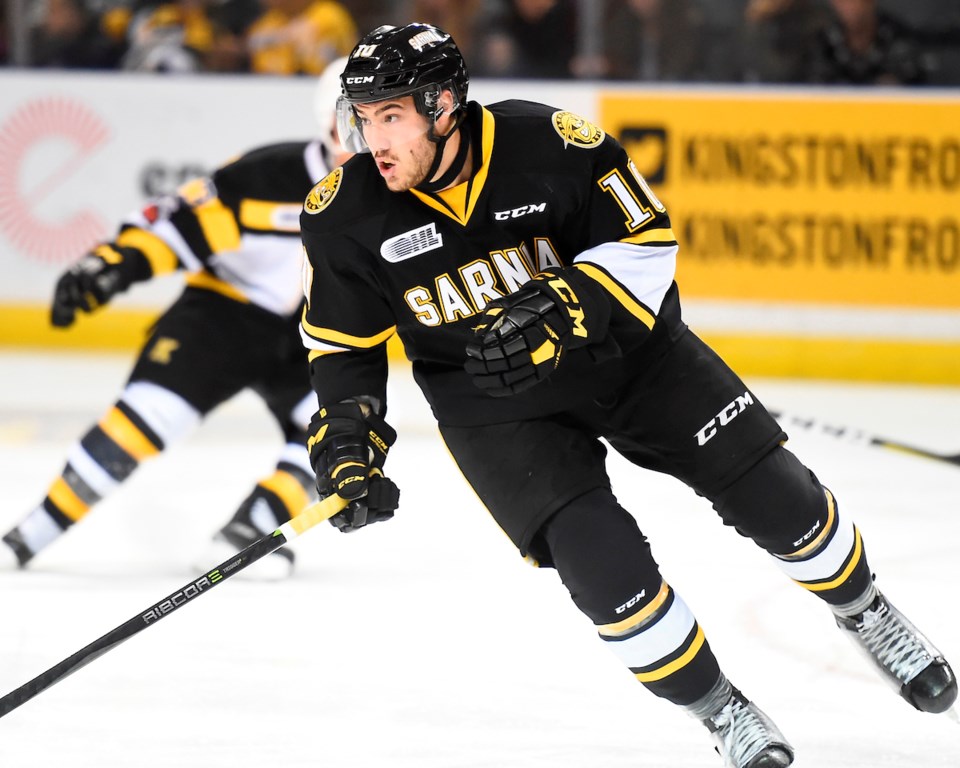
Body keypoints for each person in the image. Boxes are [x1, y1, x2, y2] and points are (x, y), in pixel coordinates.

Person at [298, 23, 957, 767]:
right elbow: (342, 348)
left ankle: (867, 613)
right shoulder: (343, 215)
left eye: (391, 116)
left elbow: (649, 243)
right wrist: (348, 441)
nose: (373, 139)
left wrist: (563, 306)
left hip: (631, 361)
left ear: (443, 102)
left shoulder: (552, 144)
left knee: (783, 503)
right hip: (497, 407)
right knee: (605, 573)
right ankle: (722, 710)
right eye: (364, 118)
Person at [0, 59, 353, 580]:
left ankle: (253, 527)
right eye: (353, 125)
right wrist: (112, 266)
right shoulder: (263, 175)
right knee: (143, 422)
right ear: (325, 123)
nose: (368, 143)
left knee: (342, 426)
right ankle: (29, 533)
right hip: (221, 318)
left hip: (309, 334)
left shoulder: (400, 198)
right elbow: (178, 225)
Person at [810, 0, 934, 85]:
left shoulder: (897, 37)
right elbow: (814, 87)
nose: (849, 8)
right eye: (843, 1)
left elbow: (917, 90)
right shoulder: (825, 41)